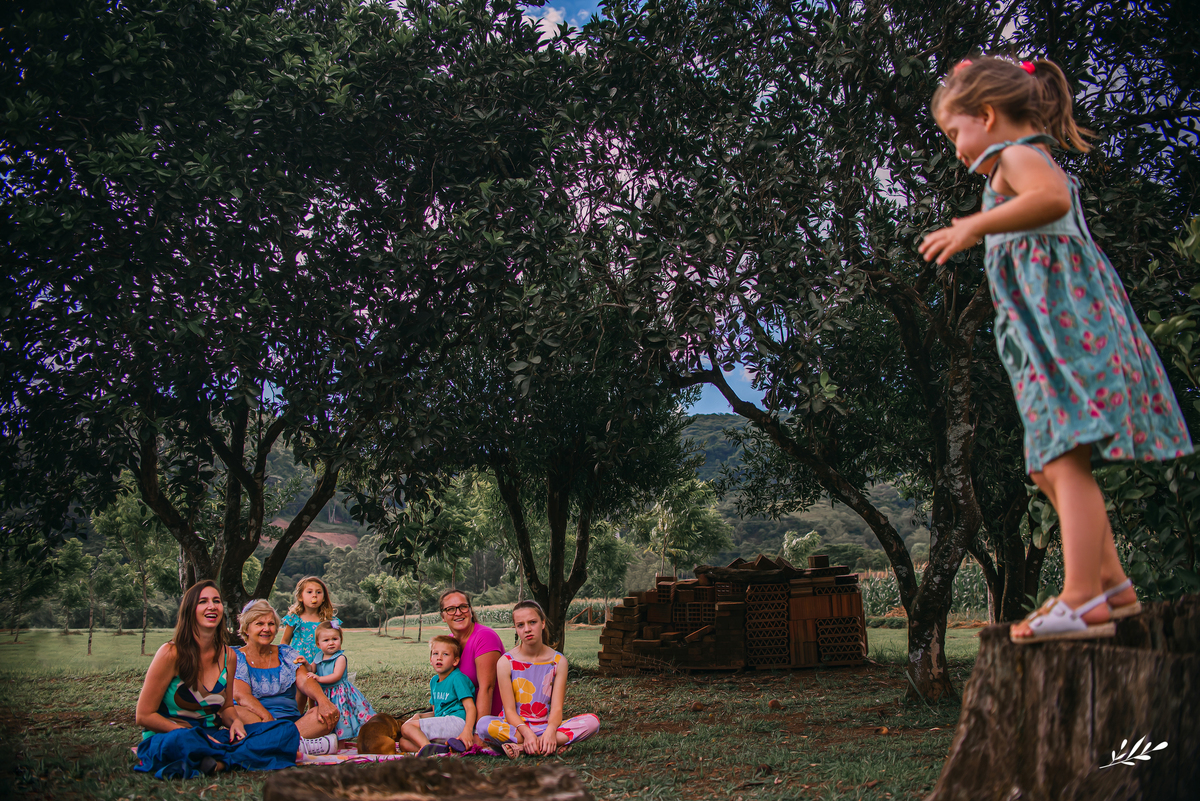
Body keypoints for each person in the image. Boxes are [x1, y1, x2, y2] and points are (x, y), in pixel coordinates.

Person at [919, 55, 1194, 643]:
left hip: (1071, 336)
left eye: (954, 132)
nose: (955, 148)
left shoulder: (1018, 158)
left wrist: (973, 226)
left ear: (988, 115)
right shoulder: (1006, 170)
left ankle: (1083, 600)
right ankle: (1114, 589)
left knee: (1063, 462)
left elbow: (1053, 198)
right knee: (1047, 465)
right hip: (1047, 343)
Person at [134, 581, 298, 779]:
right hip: (173, 736)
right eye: (203, 601)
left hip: (214, 737)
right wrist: (197, 736)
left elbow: (226, 707)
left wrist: (235, 721)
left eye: (216, 601)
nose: (212, 606)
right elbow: (143, 715)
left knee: (285, 730)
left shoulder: (229, 656)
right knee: (184, 741)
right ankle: (226, 759)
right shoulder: (171, 653)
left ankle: (214, 763)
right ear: (190, 610)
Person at [475, 600, 599, 758]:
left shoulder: (558, 661)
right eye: (520, 625)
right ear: (516, 629)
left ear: (542, 623)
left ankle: (524, 747)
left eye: (532, 622)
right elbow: (509, 711)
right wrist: (526, 733)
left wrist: (550, 731)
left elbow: (556, 709)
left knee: (592, 722)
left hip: (545, 726)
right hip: (515, 728)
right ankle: (546, 744)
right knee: (483, 725)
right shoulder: (506, 662)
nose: (527, 629)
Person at [232, 599, 342, 754]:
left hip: (292, 722)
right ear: (246, 628)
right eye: (259, 624)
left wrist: (323, 701)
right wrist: (269, 720)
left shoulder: (286, 653)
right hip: (256, 720)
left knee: (330, 713)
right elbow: (241, 696)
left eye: (271, 624)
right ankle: (297, 744)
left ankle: (271, 744)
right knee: (235, 711)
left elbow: (305, 680)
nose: (266, 629)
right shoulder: (235, 657)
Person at [439, 589, 504, 747]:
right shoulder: (448, 643)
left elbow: (487, 688)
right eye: (451, 609)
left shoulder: (484, 637)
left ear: (470, 610)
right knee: (408, 734)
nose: (458, 613)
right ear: (443, 616)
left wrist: (479, 733)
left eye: (463, 607)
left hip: (487, 717)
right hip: (460, 715)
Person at [399, 635, 477, 757]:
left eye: (445, 654)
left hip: (456, 723)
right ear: (430, 659)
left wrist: (467, 731)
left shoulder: (457, 678)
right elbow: (437, 712)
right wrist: (419, 715)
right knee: (404, 743)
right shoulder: (434, 681)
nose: (439, 658)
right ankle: (444, 749)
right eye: (435, 654)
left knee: (406, 727)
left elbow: (470, 707)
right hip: (443, 723)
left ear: (455, 661)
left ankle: (426, 748)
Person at [304, 621, 376, 740]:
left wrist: (319, 678)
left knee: (342, 717)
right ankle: (329, 740)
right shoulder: (318, 657)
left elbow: (336, 676)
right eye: (326, 640)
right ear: (318, 644)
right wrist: (306, 664)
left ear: (340, 640)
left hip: (339, 693)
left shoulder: (340, 658)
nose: (331, 643)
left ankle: (342, 742)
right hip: (325, 694)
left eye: (335, 639)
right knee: (326, 718)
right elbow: (312, 668)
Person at [281, 576, 341, 665]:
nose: (314, 595)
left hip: (322, 662)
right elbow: (285, 641)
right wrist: (284, 659)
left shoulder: (329, 621)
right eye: (309, 592)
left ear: (324, 598)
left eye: (319, 592)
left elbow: (337, 643)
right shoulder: (294, 619)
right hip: (298, 662)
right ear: (300, 597)